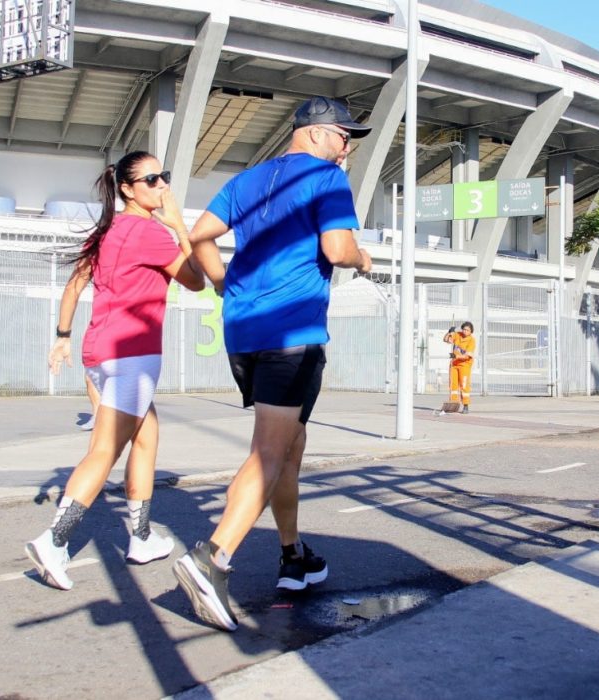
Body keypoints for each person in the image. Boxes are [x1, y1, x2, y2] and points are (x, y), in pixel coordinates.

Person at [173, 96, 373, 631]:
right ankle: (211, 559)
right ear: (312, 133)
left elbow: (199, 236)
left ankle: (292, 555)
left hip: (243, 332)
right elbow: (335, 249)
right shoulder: (327, 181)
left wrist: (222, 282)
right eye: (341, 134)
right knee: (270, 450)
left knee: (291, 443)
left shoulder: (248, 180)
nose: (347, 144)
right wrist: (363, 256)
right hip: (292, 332)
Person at [25, 151, 205, 589]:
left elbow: (75, 284)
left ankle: (141, 536)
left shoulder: (107, 232)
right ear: (127, 188)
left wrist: (62, 336)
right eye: (151, 179)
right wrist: (180, 225)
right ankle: (54, 540)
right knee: (105, 450)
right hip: (132, 354)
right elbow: (198, 280)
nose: (161, 185)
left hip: (98, 351)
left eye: (163, 176)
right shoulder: (150, 233)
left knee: (146, 437)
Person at [443, 321, 476, 414]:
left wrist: (456, 356)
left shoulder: (471, 340)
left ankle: (465, 405)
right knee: (453, 385)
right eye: (464, 329)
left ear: (471, 331)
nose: (465, 331)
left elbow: (467, 356)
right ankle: (453, 405)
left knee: (464, 385)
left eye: (467, 330)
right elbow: (446, 340)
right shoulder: (457, 335)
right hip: (454, 364)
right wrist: (449, 332)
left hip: (465, 365)